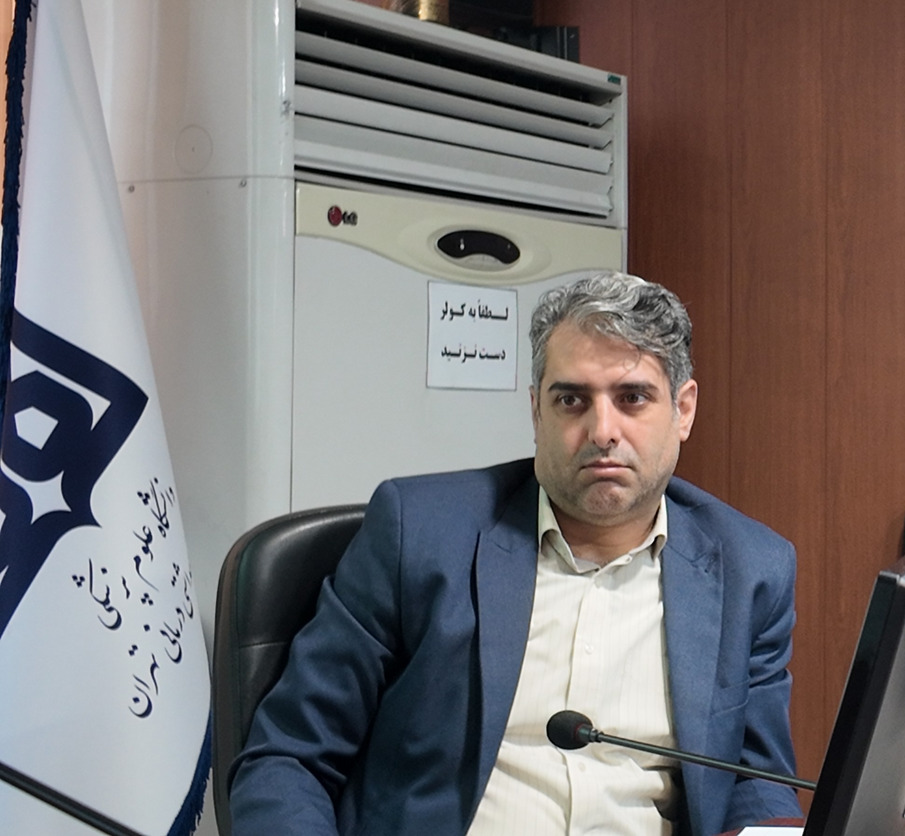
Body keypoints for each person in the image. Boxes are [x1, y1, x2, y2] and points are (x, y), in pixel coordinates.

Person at [228, 271, 803, 835]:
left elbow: (755, 784)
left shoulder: (751, 570)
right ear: (536, 412)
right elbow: (287, 759)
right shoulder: (421, 533)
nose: (602, 431)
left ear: (683, 410)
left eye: (632, 398)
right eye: (572, 400)